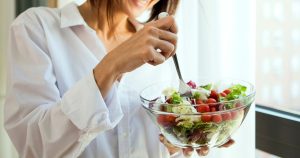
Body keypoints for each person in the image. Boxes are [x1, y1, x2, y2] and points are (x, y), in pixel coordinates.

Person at [4, 0, 233, 157]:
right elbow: (34, 147)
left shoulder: (159, 47)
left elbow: (155, 143)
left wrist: (180, 141)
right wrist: (111, 66)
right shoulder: (36, 28)